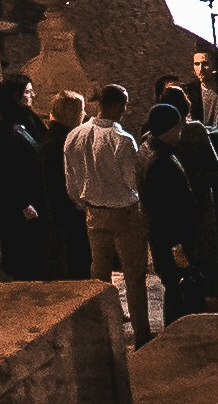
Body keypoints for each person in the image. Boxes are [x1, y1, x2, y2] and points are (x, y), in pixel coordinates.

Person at [63, 85, 162, 340]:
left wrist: (83, 203)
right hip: (125, 212)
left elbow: (71, 181)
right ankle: (142, 333)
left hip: (94, 213)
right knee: (134, 275)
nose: (126, 110)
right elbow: (132, 182)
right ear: (117, 105)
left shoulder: (75, 135)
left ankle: (103, 329)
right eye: (125, 104)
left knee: (99, 273)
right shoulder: (122, 140)